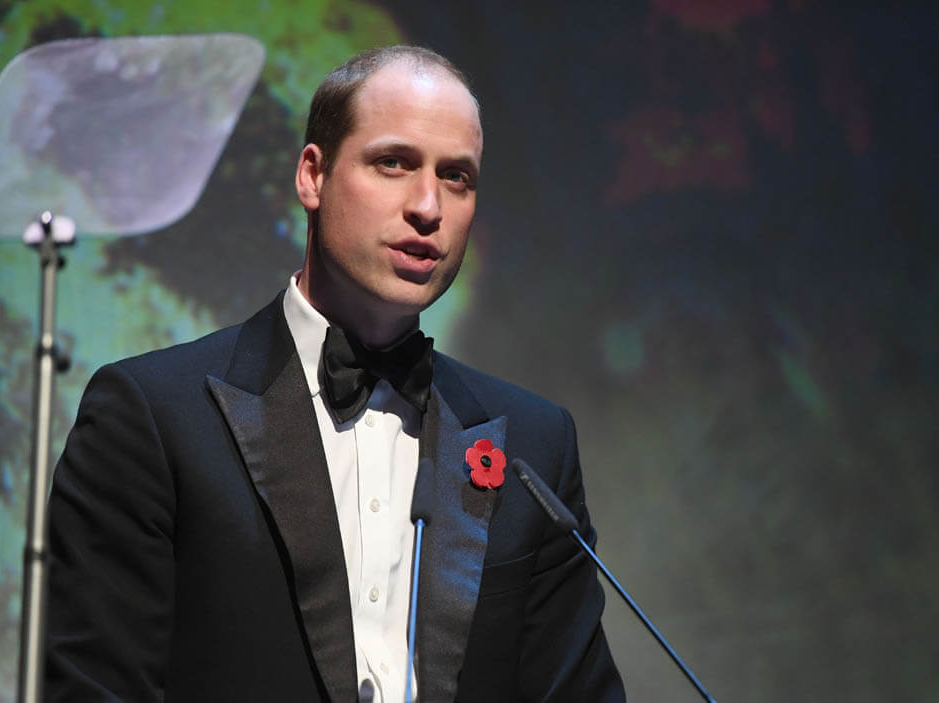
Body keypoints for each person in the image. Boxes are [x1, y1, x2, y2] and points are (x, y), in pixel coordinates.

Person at [45, 45, 624, 702]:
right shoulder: (152, 418)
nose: (428, 205)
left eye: (456, 177)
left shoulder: (534, 448)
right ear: (312, 176)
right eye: (393, 163)